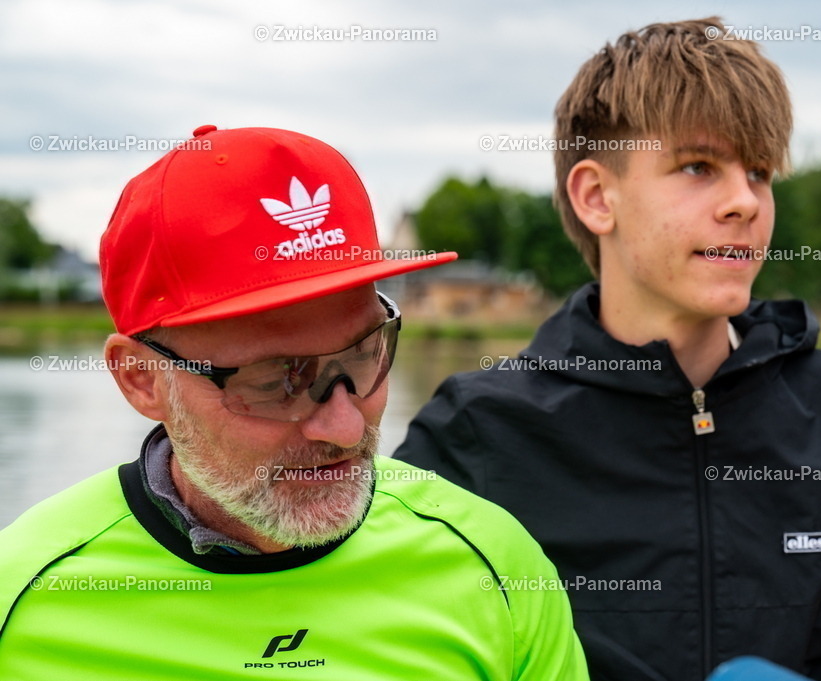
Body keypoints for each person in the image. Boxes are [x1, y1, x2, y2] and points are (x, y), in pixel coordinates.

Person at [395, 17, 821, 681]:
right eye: (698, 167)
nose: (745, 202)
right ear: (598, 197)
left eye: (759, 171)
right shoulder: (476, 435)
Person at [0, 125, 588, 681]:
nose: (344, 425)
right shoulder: (21, 596)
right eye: (276, 378)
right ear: (141, 379)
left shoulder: (496, 569)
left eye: (365, 354)